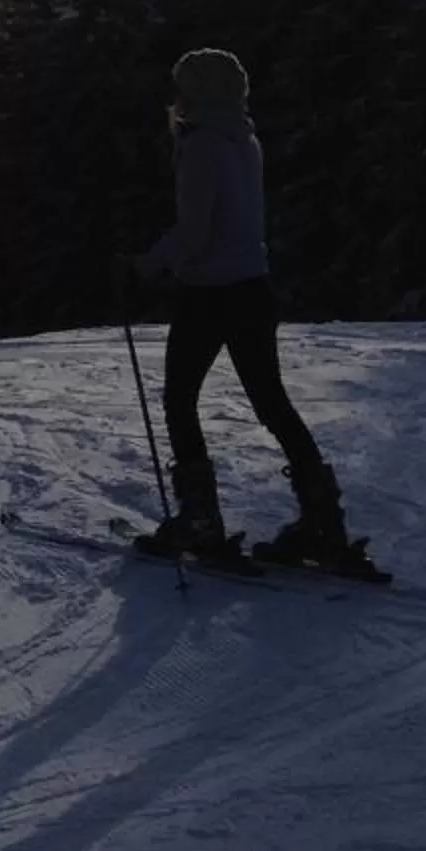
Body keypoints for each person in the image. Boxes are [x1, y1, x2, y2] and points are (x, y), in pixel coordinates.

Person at [127, 48, 364, 572]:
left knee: (181, 399)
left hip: (207, 293)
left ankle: (200, 520)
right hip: (253, 288)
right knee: (271, 403)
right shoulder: (244, 138)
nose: (176, 96)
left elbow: (195, 233)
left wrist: (147, 264)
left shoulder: (201, 145)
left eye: (182, 86)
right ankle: (323, 520)